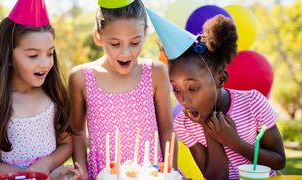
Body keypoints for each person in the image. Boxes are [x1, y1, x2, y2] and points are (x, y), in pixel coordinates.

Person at [148, 10, 286, 179]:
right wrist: (209, 127)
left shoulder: (253, 102)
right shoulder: (184, 123)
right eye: (176, 89)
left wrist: (234, 142)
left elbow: (279, 161)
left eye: (192, 88)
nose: (183, 100)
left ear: (220, 80)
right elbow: (216, 177)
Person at [0, 0, 83, 179]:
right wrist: (36, 175)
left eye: (50, 53)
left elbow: (66, 144)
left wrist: (47, 164)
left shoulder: (53, 94)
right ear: (8, 56)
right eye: (33, 55)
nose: (45, 63)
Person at [69, 0, 177, 179]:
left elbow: (166, 130)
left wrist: (170, 173)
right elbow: (78, 131)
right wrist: (83, 174)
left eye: (135, 43)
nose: (126, 53)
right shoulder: (81, 78)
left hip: (152, 173)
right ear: (98, 36)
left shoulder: (156, 72)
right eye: (115, 44)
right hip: (102, 174)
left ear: (145, 33)